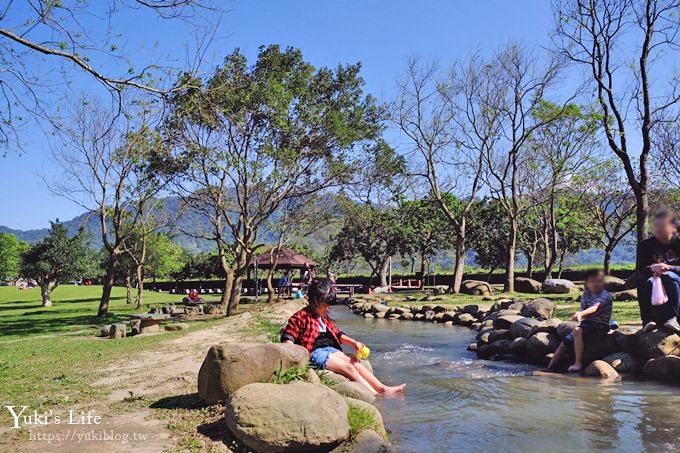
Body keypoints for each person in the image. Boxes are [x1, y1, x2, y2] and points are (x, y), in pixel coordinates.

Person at [281, 278, 405, 396]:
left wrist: (354, 343)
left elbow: (337, 333)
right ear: (313, 301)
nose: (326, 308)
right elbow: (289, 337)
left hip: (329, 349)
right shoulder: (300, 317)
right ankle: (374, 394)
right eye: (323, 305)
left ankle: (383, 388)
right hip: (314, 352)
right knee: (348, 368)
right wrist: (293, 357)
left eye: (328, 305)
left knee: (354, 362)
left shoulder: (323, 318)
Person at [547, 269, 613, 373]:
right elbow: (584, 313)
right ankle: (548, 369)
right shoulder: (586, 295)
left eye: (599, 281)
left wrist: (581, 314)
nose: (596, 284)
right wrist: (579, 316)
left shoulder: (605, 295)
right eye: (592, 281)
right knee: (563, 345)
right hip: (587, 324)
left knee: (577, 330)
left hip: (600, 325)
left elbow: (595, 307)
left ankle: (578, 363)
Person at [636, 209, 680, 333]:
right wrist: (652, 268)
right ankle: (647, 321)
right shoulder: (645, 245)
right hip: (653, 278)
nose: (659, 229)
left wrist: (670, 268)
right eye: (656, 225)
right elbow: (641, 269)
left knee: (669, 277)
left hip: (676, 278)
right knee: (643, 281)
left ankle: (673, 318)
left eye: (663, 225)